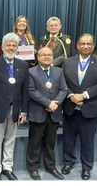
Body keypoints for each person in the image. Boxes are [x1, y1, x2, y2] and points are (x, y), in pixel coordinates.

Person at [61, 33, 97, 180]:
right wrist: (72, 96)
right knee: (68, 138)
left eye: (89, 44)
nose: (85, 46)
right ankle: (68, 162)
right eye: (82, 43)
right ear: (77, 45)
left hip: (90, 108)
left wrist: (84, 96)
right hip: (70, 107)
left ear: (93, 46)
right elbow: (62, 82)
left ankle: (86, 167)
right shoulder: (67, 62)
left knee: (87, 140)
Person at [0, 33, 29, 180]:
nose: (11, 47)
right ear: (3, 47)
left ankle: (7, 167)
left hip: (15, 108)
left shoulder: (23, 65)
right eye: (8, 45)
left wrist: (24, 110)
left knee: (10, 138)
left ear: (17, 48)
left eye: (14, 45)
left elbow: (25, 90)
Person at [26, 47, 67, 180]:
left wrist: (55, 103)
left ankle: (51, 167)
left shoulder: (59, 71)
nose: (47, 57)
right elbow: (31, 91)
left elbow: (63, 90)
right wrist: (48, 103)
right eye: (44, 55)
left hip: (54, 113)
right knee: (35, 141)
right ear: (38, 57)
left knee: (50, 142)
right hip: (38, 112)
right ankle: (33, 168)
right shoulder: (31, 72)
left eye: (49, 55)